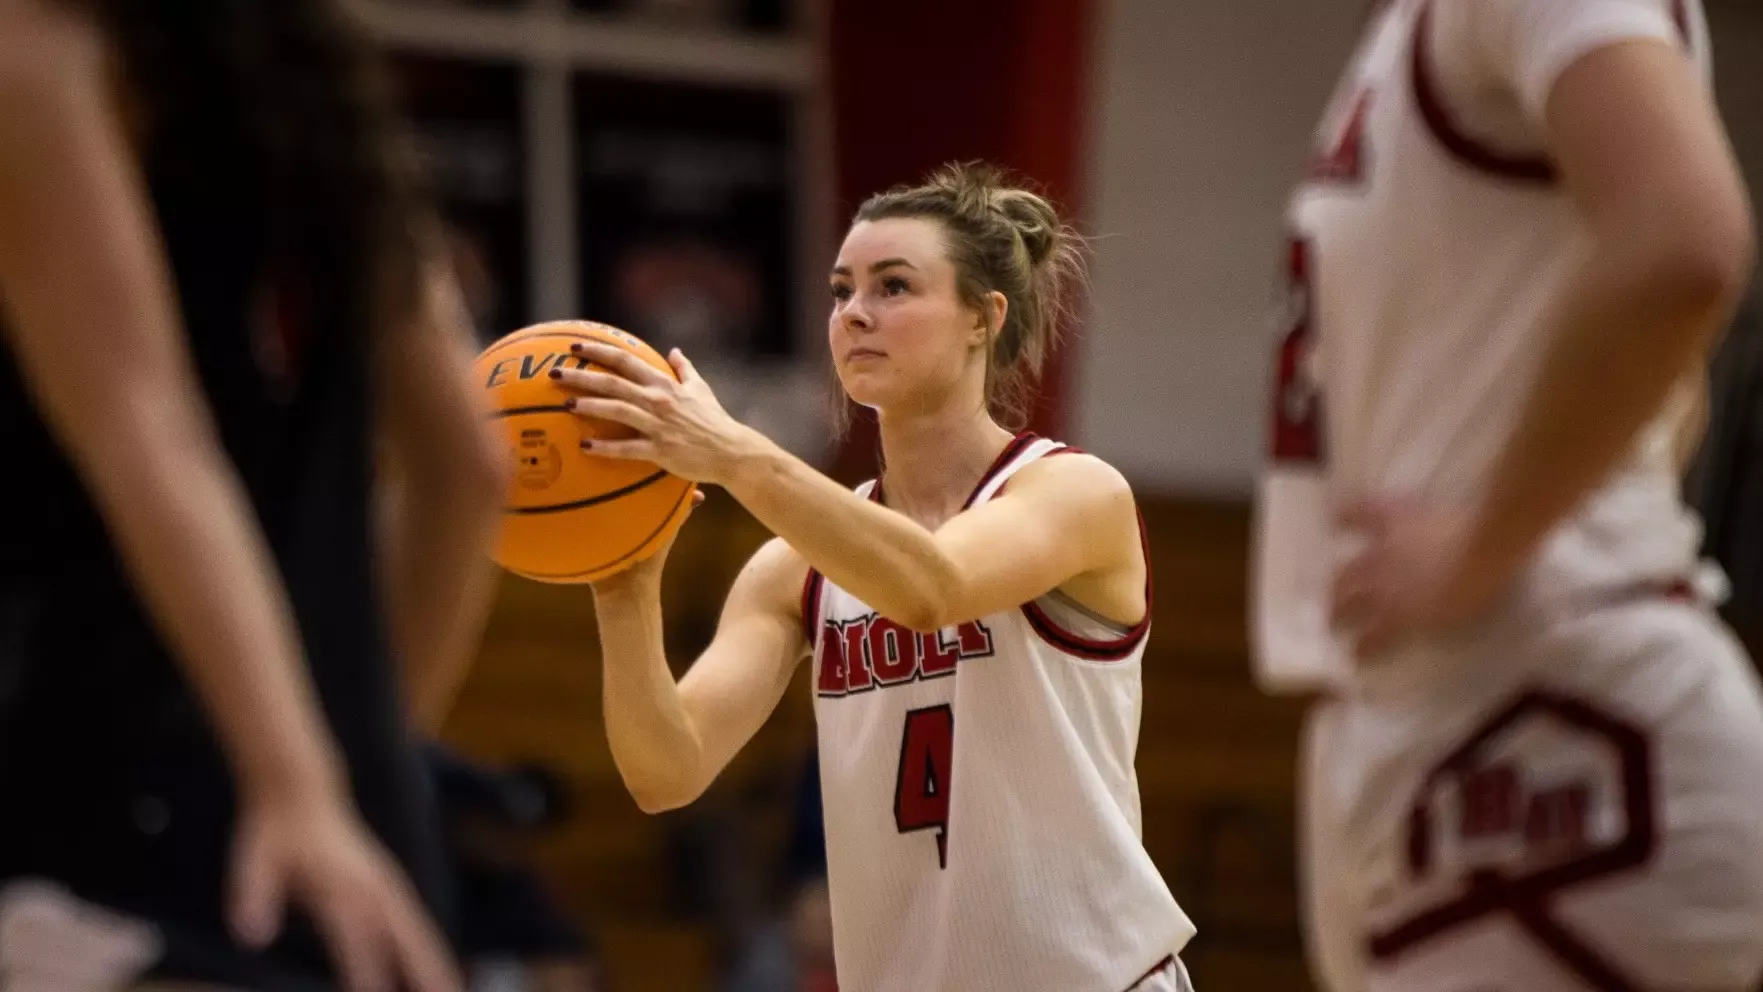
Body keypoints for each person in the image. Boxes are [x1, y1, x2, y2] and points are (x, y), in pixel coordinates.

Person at [552, 162, 1197, 992]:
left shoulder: (1073, 492)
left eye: (894, 287)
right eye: (841, 289)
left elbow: (931, 589)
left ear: (982, 317)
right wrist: (622, 582)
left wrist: (733, 450)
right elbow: (664, 770)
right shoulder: (795, 566)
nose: (855, 312)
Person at [1250, 0, 1763, 990]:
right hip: (1469, 725)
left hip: (1550, 717)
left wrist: (1477, 549)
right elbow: (1667, 383)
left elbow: (1682, 241)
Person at [0, 0, 505, 989]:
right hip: (349, 852)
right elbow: (469, 471)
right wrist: (356, 771)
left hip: (103, 810)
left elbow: (150, 431)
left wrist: (294, 783)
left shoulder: (33, 57)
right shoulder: (317, 89)